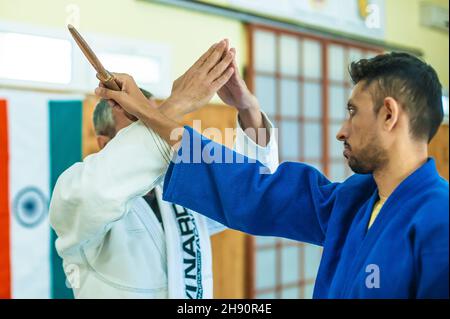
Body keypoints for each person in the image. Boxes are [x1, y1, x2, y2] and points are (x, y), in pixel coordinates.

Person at [94, 43, 449, 298]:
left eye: (353, 111)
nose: (342, 129)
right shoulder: (351, 201)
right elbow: (254, 190)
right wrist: (247, 109)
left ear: (389, 114)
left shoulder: (439, 221)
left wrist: (152, 111)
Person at [49, 41, 278, 299]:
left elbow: (249, 190)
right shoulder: (75, 192)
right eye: (139, 126)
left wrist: (248, 108)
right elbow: (93, 195)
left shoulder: (179, 188)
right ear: (105, 143)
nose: (155, 132)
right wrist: (175, 103)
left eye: (155, 123)